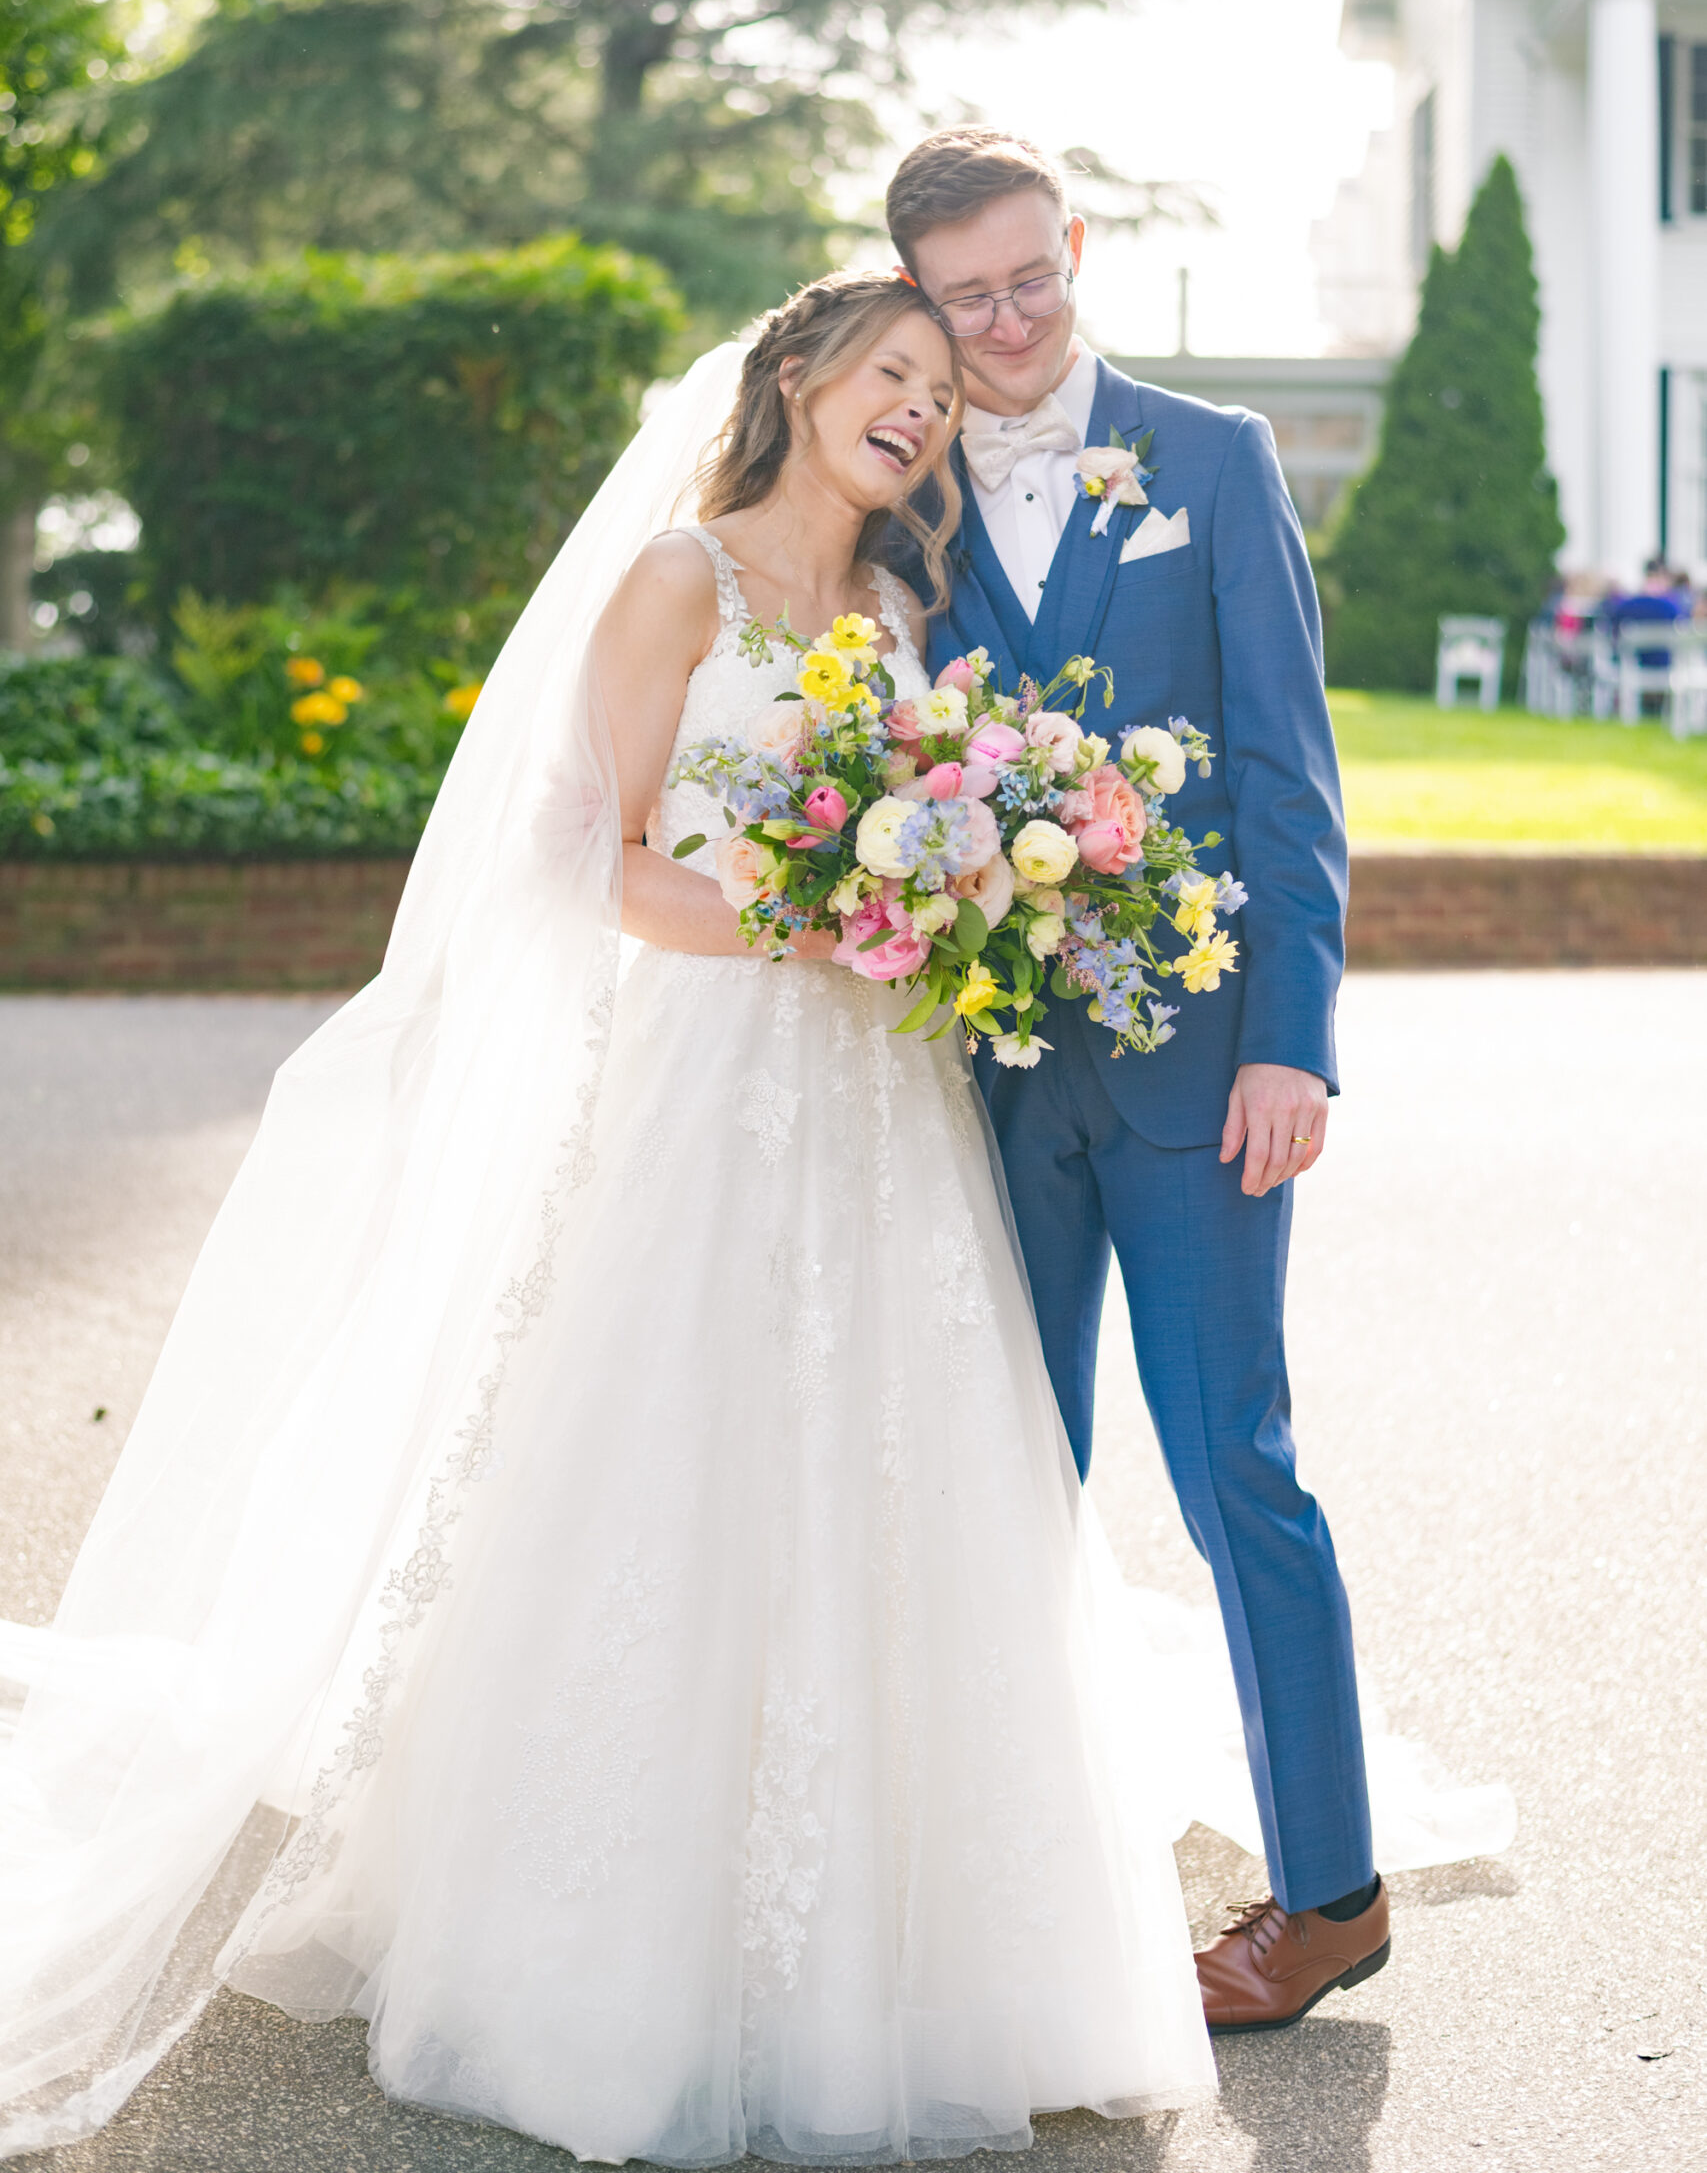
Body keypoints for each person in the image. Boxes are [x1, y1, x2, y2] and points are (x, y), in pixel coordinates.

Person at [0, 270, 1510, 2162]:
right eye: (893, 373)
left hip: (891, 1101)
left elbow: (969, 813)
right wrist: (814, 916)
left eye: (938, 395)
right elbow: (597, 863)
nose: (919, 412)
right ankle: (621, 1927)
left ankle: (933, 1934)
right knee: (681, 1465)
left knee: (908, 1482)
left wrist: (943, 902)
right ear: (796, 375)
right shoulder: (674, 581)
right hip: (716, 1089)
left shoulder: (897, 605)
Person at [885, 127, 1385, 2029]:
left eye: (1031, 278)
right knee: (1002, 1476)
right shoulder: (903, 491)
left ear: (1076, 246)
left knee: (1236, 1470)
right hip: (986, 1085)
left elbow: (1288, 776)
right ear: (917, 298)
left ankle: (1330, 1897)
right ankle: (1015, 1894)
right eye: (966, 297)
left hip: (1198, 1077)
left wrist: (1293, 1042)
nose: (1008, 322)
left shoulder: (1214, 460)